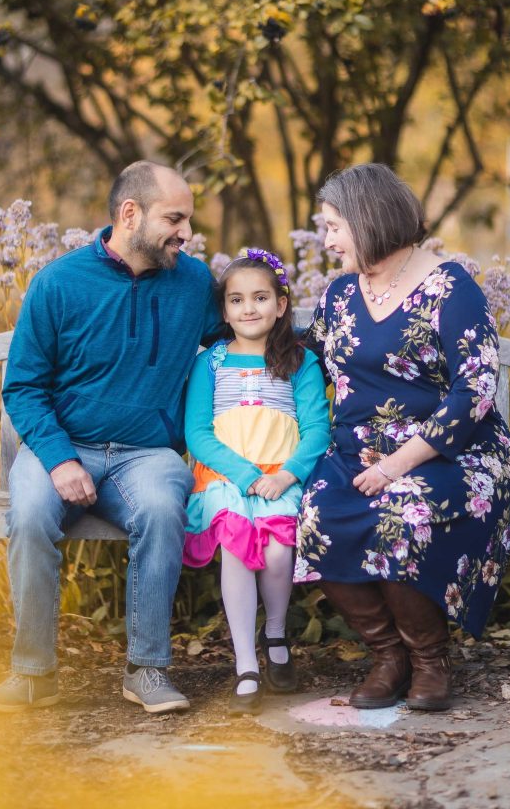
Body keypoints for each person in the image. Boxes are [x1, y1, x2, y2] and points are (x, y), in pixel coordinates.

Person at [0, 161, 222, 714]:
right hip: (62, 445)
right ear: (129, 214)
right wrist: (61, 460)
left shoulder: (194, 282)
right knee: (33, 512)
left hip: (147, 454)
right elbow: (23, 388)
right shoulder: (58, 284)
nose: (186, 233)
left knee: (163, 508)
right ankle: (33, 673)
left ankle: (147, 670)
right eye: (175, 218)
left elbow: (244, 336)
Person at [294, 163, 510, 712]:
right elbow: (308, 359)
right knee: (316, 517)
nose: (326, 242)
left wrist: (398, 464)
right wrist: (235, 342)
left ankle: (429, 661)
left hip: (454, 451)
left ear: (367, 221)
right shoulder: (340, 295)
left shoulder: (451, 287)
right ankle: (388, 656)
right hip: (357, 451)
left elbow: (476, 392)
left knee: (402, 510)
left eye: (333, 227)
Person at [183, 249, 330, 714]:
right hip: (226, 478)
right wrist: (244, 474)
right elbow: (197, 432)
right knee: (236, 545)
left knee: (277, 549)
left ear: (281, 304)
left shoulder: (300, 362)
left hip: (280, 475)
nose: (249, 309)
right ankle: (246, 664)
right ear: (224, 310)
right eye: (236, 300)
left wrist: (287, 474)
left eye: (260, 298)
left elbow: (317, 430)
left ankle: (277, 634)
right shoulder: (210, 362)